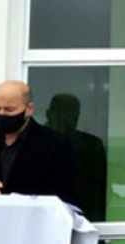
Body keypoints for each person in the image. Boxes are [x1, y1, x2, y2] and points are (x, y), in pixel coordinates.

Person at [0, 80, 77, 206]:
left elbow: (66, 197)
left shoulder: (55, 144)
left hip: (33, 222)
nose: (2, 114)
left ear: (29, 109)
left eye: (9, 110)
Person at [46, 93, 108, 221]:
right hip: (44, 217)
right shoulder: (33, 143)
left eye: (72, 114)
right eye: (62, 113)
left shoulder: (91, 145)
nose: (67, 119)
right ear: (49, 113)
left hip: (84, 217)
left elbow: (99, 191)